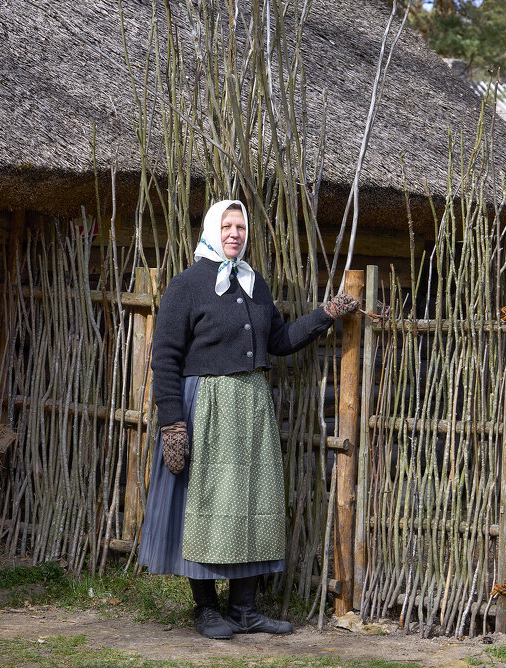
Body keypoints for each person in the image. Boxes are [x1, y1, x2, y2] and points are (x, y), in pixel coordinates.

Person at [137, 199, 360, 639]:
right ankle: (205, 608)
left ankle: (244, 609)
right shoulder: (187, 285)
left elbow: (278, 340)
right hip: (207, 406)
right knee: (204, 506)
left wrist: (324, 315)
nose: (234, 233)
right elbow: (164, 357)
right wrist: (172, 421)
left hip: (252, 406)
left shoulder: (254, 284)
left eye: (240, 227)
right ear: (211, 230)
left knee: (253, 505)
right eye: (227, 226)